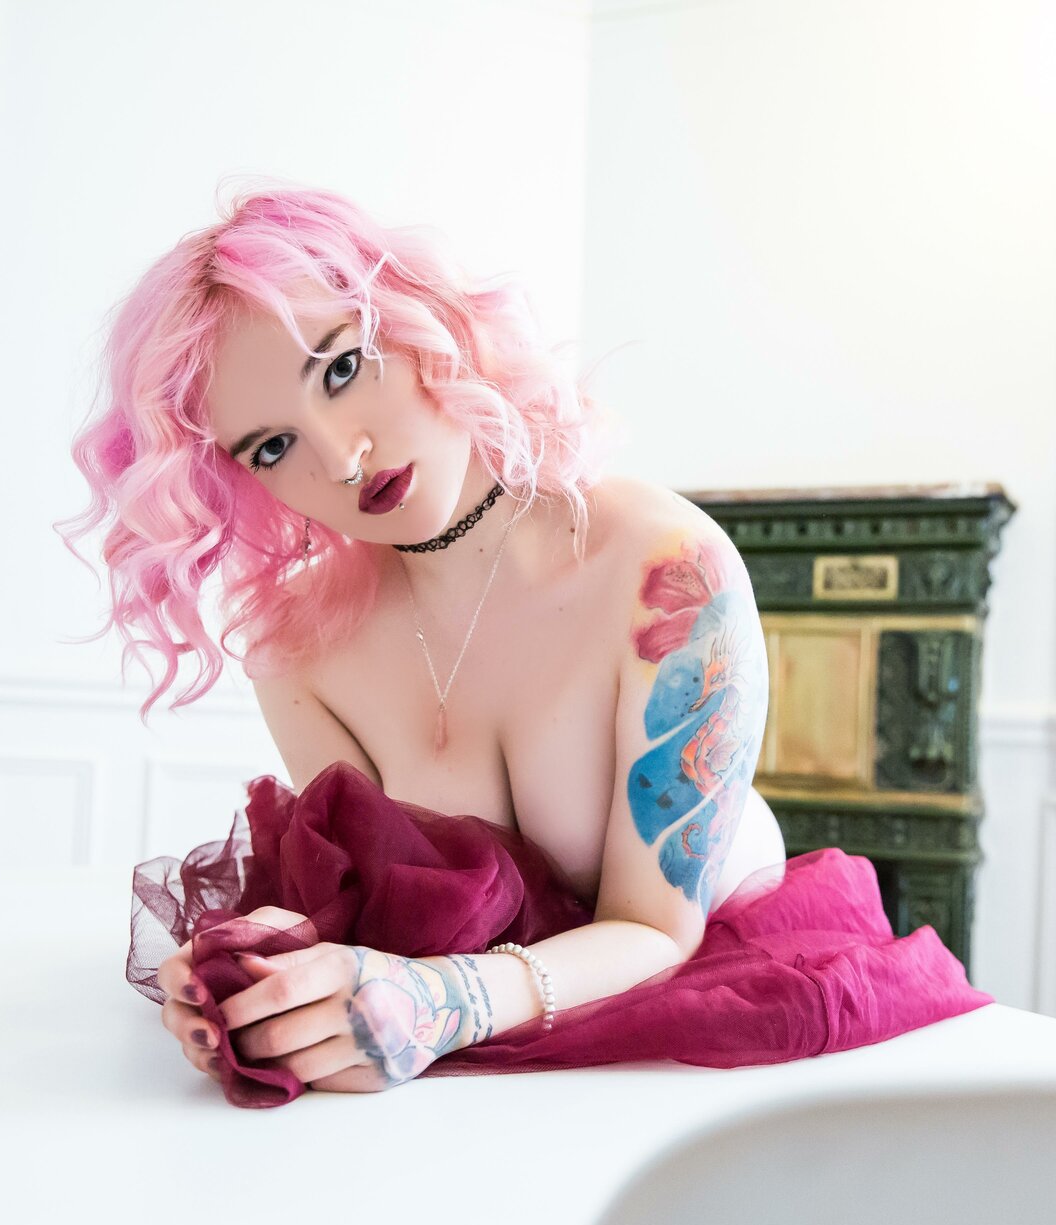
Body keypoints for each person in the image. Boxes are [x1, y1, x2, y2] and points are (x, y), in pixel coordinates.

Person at [59, 181, 989, 1103]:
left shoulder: (666, 570)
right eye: (272, 448)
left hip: (708, 1038)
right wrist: (266, 977)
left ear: (420, 319)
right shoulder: (297, 646)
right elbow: (376, 914)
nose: (341, 457)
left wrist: (442, 1001)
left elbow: (658, 934)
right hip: (486, 1089)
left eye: (341, 369)